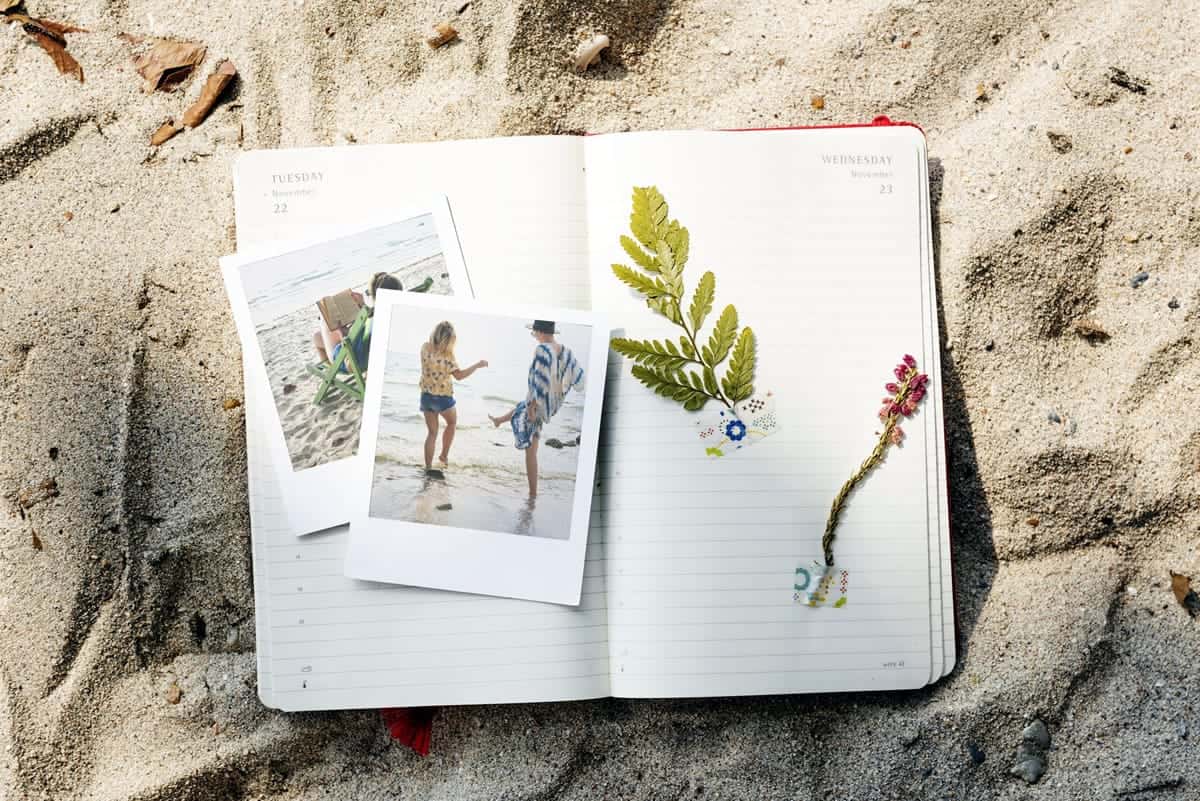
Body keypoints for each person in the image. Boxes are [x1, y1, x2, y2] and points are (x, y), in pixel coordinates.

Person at [489, 320, 584, 497]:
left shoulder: (542, 350)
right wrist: (557, 394)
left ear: (540, 332)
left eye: (534, 333)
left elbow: (539, 383)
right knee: (521, 409)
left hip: (537, 406)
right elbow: (579, 380)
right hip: (550, 406)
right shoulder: (566, 351)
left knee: (530, 452)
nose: (534, 337)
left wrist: (534, 408)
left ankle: (533, 494)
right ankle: (499, 420)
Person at [419, 321, 487, 470]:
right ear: (449, 340)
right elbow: (460, 376)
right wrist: (477, 365)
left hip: (426, 397)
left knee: (431, 433)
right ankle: (443, 457)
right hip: (443, 398)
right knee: (451, 423)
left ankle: (428, 467)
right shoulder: (448, 356)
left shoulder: (425, 348)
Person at [311, 272, 403, 369]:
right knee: (319, 336)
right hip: (371, 355)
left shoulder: (372, 320)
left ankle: (330, 375)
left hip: (354, 361)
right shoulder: (395, 314)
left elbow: (348, 344)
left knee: (319, 331)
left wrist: (340, 332)